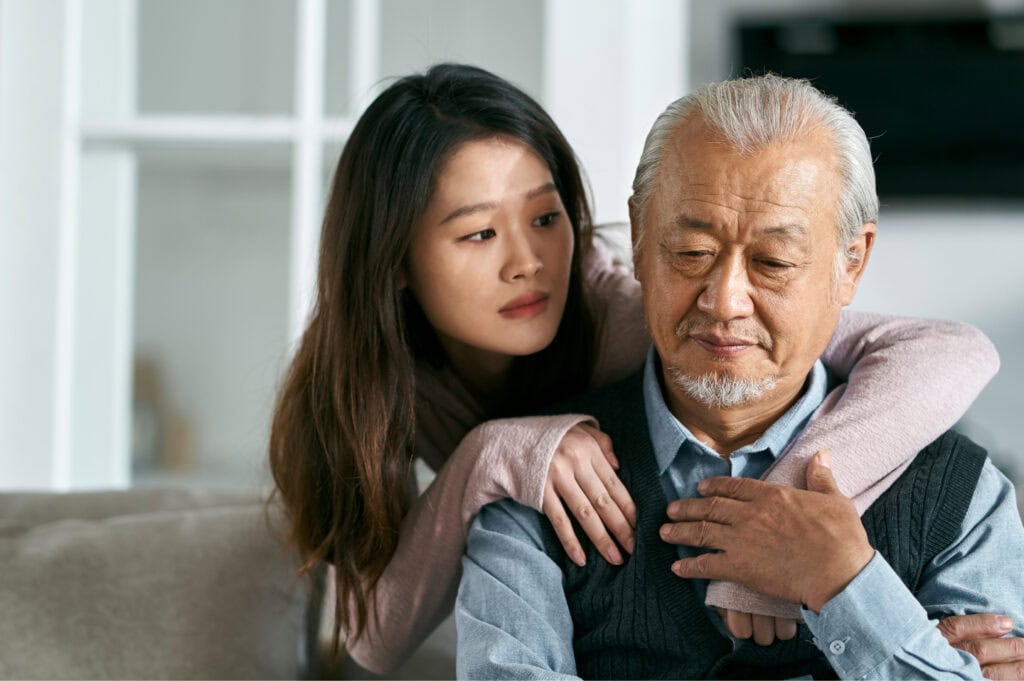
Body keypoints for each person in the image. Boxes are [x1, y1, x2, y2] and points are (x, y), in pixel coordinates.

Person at [267, 63, 1005, 674]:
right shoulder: (394, 402)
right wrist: (490, 453)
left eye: (546, 217)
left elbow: (953, 351)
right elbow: (373, 633)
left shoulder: (618, 306)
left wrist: (811, 552)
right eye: (480, 232)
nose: (527, 262)